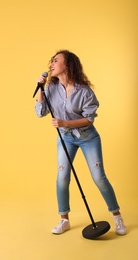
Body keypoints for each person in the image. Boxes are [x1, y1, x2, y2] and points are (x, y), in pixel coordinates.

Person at [35, 50, 126, 236]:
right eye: (51, 61)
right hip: (65, 137)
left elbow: (89, 119)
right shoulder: (51, 88)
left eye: (55, 61)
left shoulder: (84, 91)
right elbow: (40, 112)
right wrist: (40, 90)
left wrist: (65, 122)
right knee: (62, 178)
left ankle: (117, 217)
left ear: (67, 65)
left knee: (99, 177)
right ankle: (64, 220)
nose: (51, 64)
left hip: (87, 137)